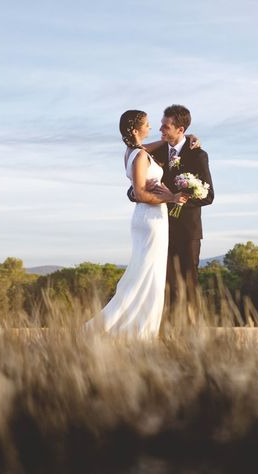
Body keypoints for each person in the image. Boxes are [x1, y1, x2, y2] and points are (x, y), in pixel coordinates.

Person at [86, 110, 184, 339]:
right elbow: (139, 193)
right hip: (150, 217)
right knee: (148, 274)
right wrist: (171, 198)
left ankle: (138, 327)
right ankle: (137, 331)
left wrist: (177, 139)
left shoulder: (132, 152)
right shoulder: (140, 157)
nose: (151, 127)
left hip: (150, 217)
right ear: (135, 130)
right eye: (147, 124)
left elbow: (146, 147)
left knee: (147, 271)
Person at [130, 104, 214, 310]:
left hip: (187, 231)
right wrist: (137, 194)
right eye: (161, 125)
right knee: (162, 285)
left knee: (188, 285)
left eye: (166, 127)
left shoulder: (198, 155)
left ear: (180, 130)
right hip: (159, 229)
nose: (160, 130)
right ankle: (165, 331)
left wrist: (176, 197)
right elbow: (134, 188)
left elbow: (208, 196)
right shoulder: (153, 152)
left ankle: (190, 333)